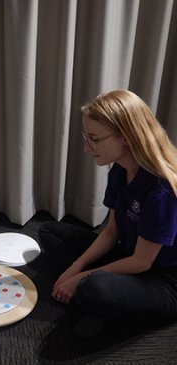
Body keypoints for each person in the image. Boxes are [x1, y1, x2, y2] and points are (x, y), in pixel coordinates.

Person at [39, 89, 177, 336]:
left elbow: (142, 262)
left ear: (126, 137)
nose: (86, 147)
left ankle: (108, 305)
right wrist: (76, 266)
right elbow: (112, 230)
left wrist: (80, 278)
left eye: (94, 138)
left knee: (94, 288)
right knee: (49, 231)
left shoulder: (161, 190)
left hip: (162, 278)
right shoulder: (119, 170)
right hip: (129, 253)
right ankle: (104, 301)